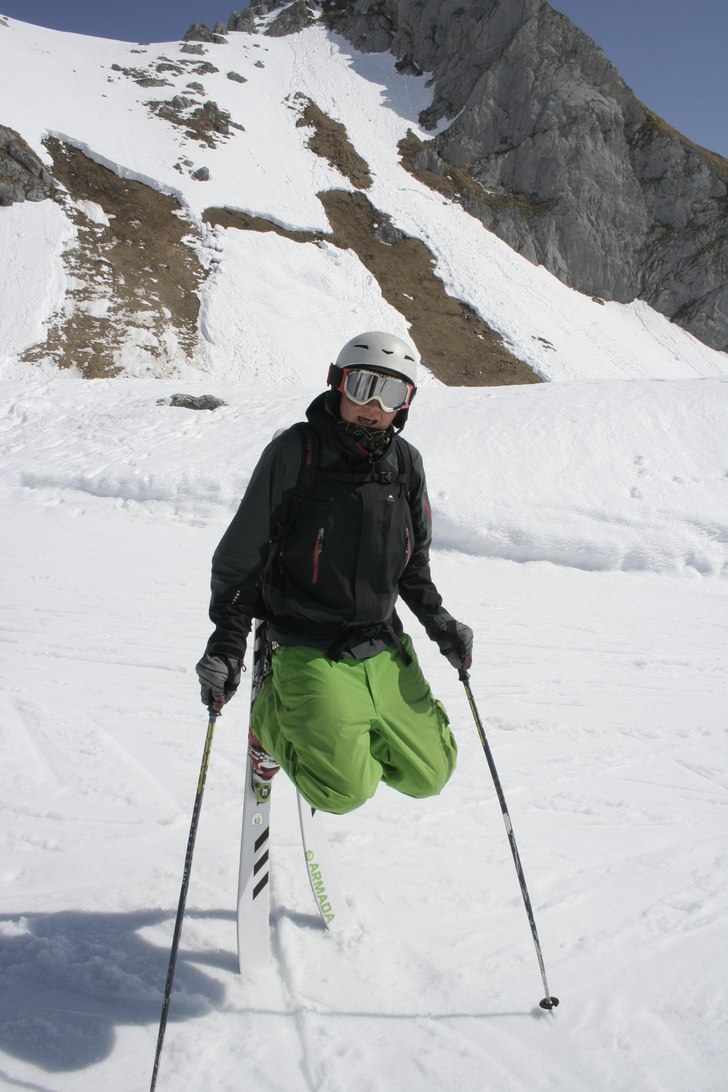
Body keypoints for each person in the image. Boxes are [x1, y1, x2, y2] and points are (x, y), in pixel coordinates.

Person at [196, 331, 473, 815]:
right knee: (345, 792)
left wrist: (440, 623)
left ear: (405, 404)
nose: (372, 405)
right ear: (338, 385)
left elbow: (413, 566)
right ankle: (272, 722)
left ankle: (343, 729)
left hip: (381, 644)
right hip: (307, 645)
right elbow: (240, 560)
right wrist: (228, 645)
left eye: (391, 393)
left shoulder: (406, 464)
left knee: (432, 773)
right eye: (362, 386)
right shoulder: (294, 453)